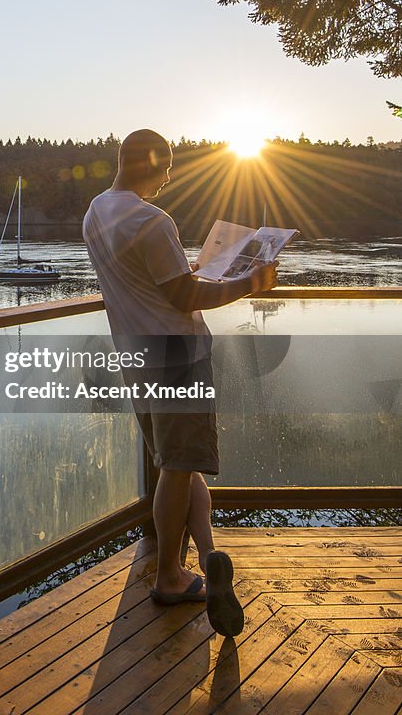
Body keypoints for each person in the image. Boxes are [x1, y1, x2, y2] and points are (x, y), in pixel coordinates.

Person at [82, 129, 277, 637]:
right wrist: (248, 283)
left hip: (136, 355)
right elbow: (187, 297)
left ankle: (208, 557)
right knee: (178, 466)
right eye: (168, 170)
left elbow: (157, 281)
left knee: (181, 466)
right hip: (177, 357)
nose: (168, 180)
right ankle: (169, 576)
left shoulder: (97, 210)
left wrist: (194, 274)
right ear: (156, 164)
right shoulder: (151, 218)